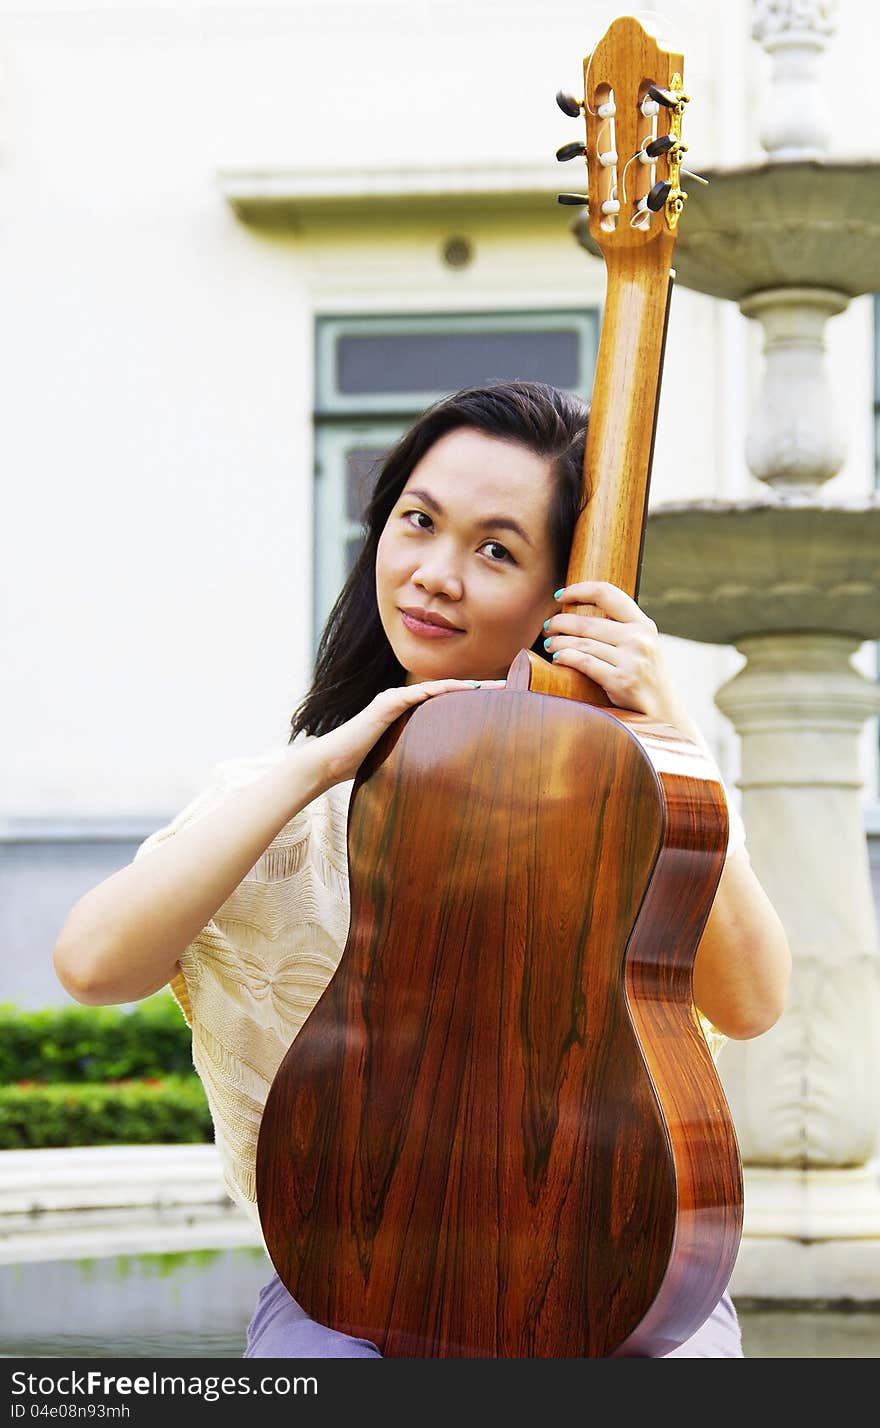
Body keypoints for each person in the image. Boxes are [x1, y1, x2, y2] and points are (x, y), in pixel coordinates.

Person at [52, 380, 792, 1359]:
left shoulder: (634, 792)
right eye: (417, 522)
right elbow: (95, 964)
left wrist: (670, 738)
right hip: (350, 1287)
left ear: (558, 596)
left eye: (495, 549)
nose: (434, 574)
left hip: (619, 1282)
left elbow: (749, 1002)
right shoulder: (287, 801)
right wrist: (318, 761)